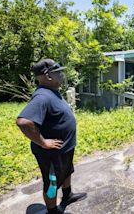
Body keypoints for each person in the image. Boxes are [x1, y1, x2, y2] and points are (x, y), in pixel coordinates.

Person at [16, 59, 86, 214]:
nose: (61, 75)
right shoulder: (42, 96)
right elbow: (23, 122)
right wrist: (43, 142)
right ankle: (52, 211)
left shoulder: (52, 92)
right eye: (58, 72)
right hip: (51, 153)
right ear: (48, 76)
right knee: (52, 183)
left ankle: (67, 196)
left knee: (67, 171)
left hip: (64, 148)